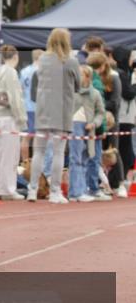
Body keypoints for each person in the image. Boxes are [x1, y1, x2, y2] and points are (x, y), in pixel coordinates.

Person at [28, 28, 81, 203]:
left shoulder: (43, 59)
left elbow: (36, 83)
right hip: (62, 111)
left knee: (38, 151)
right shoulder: (71, 61)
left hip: (43, 111)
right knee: (58, 152)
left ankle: (32, 189)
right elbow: (78, 85)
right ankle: (55, 192)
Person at [0, 44, 27, 199]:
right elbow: (15, 98)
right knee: (10, 155)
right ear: (15, 56)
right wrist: (22, 118)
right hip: (9, 117)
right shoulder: (11, 72)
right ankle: (8, 190)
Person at [68, 64, 105, 201]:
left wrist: (94, 123)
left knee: (85, 158)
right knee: (75, 159)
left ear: (88, 77)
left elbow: (101, 113)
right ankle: (75, 193)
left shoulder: (95, 93)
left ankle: (81, 190)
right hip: (74, 126)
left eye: (81, 74)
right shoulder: (71, 92)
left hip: (89, 129)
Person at [113, 47, 136, 189]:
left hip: (123, 117)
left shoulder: (121, 72)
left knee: (124, 150)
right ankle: (117, 180)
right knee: (124, 152)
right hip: (123, 117)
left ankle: (118, 180)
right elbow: (128, 93)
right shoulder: (120, 74)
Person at [19, 49, 43, 160]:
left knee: (26, 137)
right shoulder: (42, 72)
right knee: (38, 137)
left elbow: (20, 89)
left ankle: (25, 163)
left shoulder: (24, 71)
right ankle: (37, 162)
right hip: (39, 108)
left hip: (26, 107)